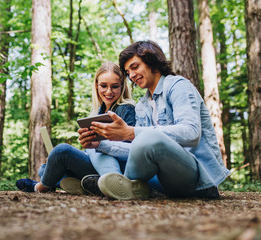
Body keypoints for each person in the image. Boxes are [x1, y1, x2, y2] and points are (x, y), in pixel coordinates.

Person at [80, 40, 231, 200]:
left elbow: (191, 133)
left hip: (195, 178)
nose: (131, 76)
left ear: (152, 61)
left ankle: (122, 184)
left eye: (135, 67)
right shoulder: (142, 106)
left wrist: (131, 132)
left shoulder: (178, 86)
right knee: (96, 147)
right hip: (164, 180)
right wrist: (100, 145)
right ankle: (124, 185)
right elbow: (139, 150)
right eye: (128, 71)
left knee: (147, 137)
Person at [16, 62, 136, 195]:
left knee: (62, 151)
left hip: (115, 168)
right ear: (96, 85)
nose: (108, 92)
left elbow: (129, 149)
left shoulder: (126, 109)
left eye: (114, 87)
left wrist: (99, 145)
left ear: (122, 86)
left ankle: (40, 187)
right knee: (45, 168)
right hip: (95, 164)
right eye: (103, 86)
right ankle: (89, 184)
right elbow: (92, 150)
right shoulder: (99, 111)